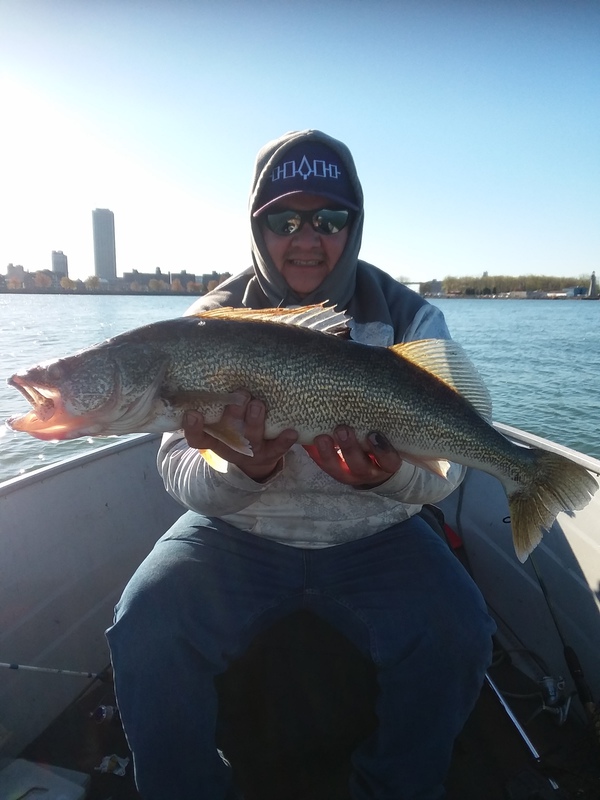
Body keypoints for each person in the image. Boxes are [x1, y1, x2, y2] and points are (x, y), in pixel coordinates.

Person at [107, 129, 495, 800]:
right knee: (146, 624)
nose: (308, 238)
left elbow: (450, 461)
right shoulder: (205, 324)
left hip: (380, 534)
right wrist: (240, 472)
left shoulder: (410, 316)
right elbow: (175, 468)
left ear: (356, 224)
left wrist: (393, 478)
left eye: (330, 219)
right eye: (284, 219)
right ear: (258, 226)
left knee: (458, 628)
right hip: (240, 536)